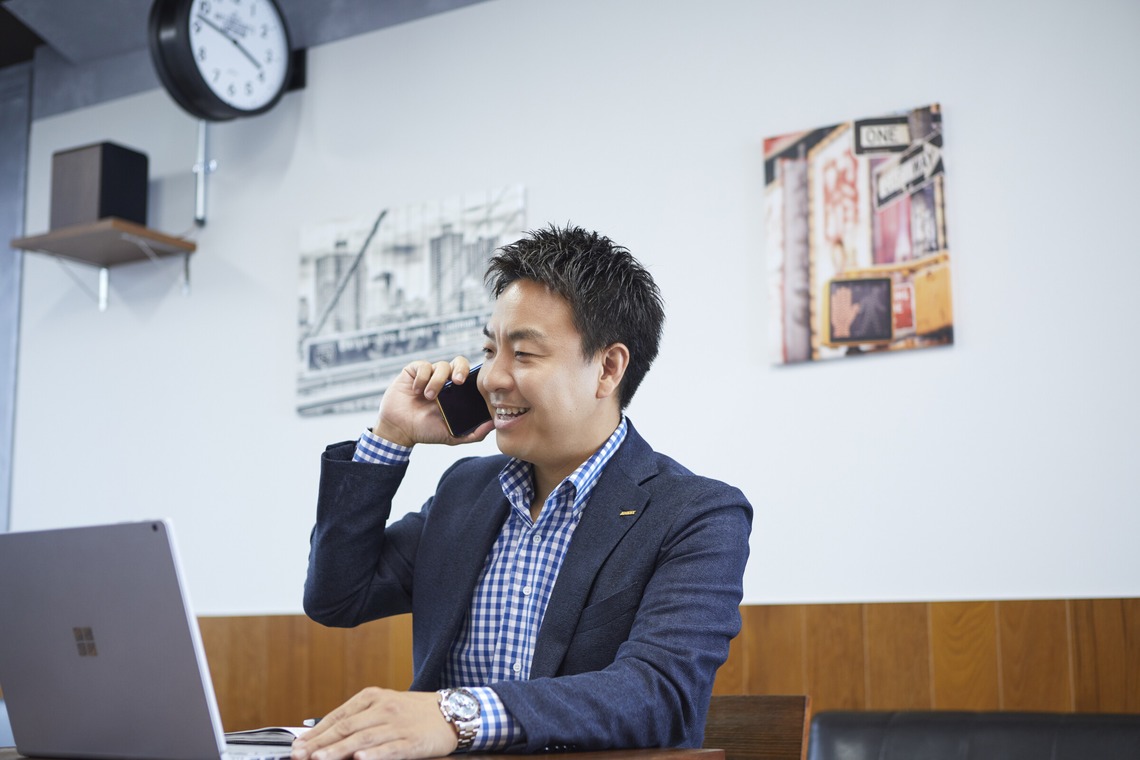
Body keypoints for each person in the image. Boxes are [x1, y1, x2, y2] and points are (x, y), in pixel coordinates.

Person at [294, 225, 752, 760]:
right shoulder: (467, 490)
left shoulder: (696, 512)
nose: (491, 377)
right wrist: (391, 438)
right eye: (490, 349)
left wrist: (453, 714)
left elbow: (659, 693)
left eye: (524, 354)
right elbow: (336, 598)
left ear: (608, 368)